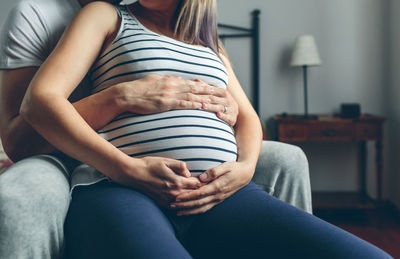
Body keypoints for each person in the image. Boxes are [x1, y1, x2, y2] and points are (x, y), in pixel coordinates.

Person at [20, 0, 391, 258]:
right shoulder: (104, 16)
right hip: (120, 190)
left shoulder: (210, 42)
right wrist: (126, 168)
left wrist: (244, 170)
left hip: (221, 198)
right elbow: (40, 101)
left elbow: (249, 120)